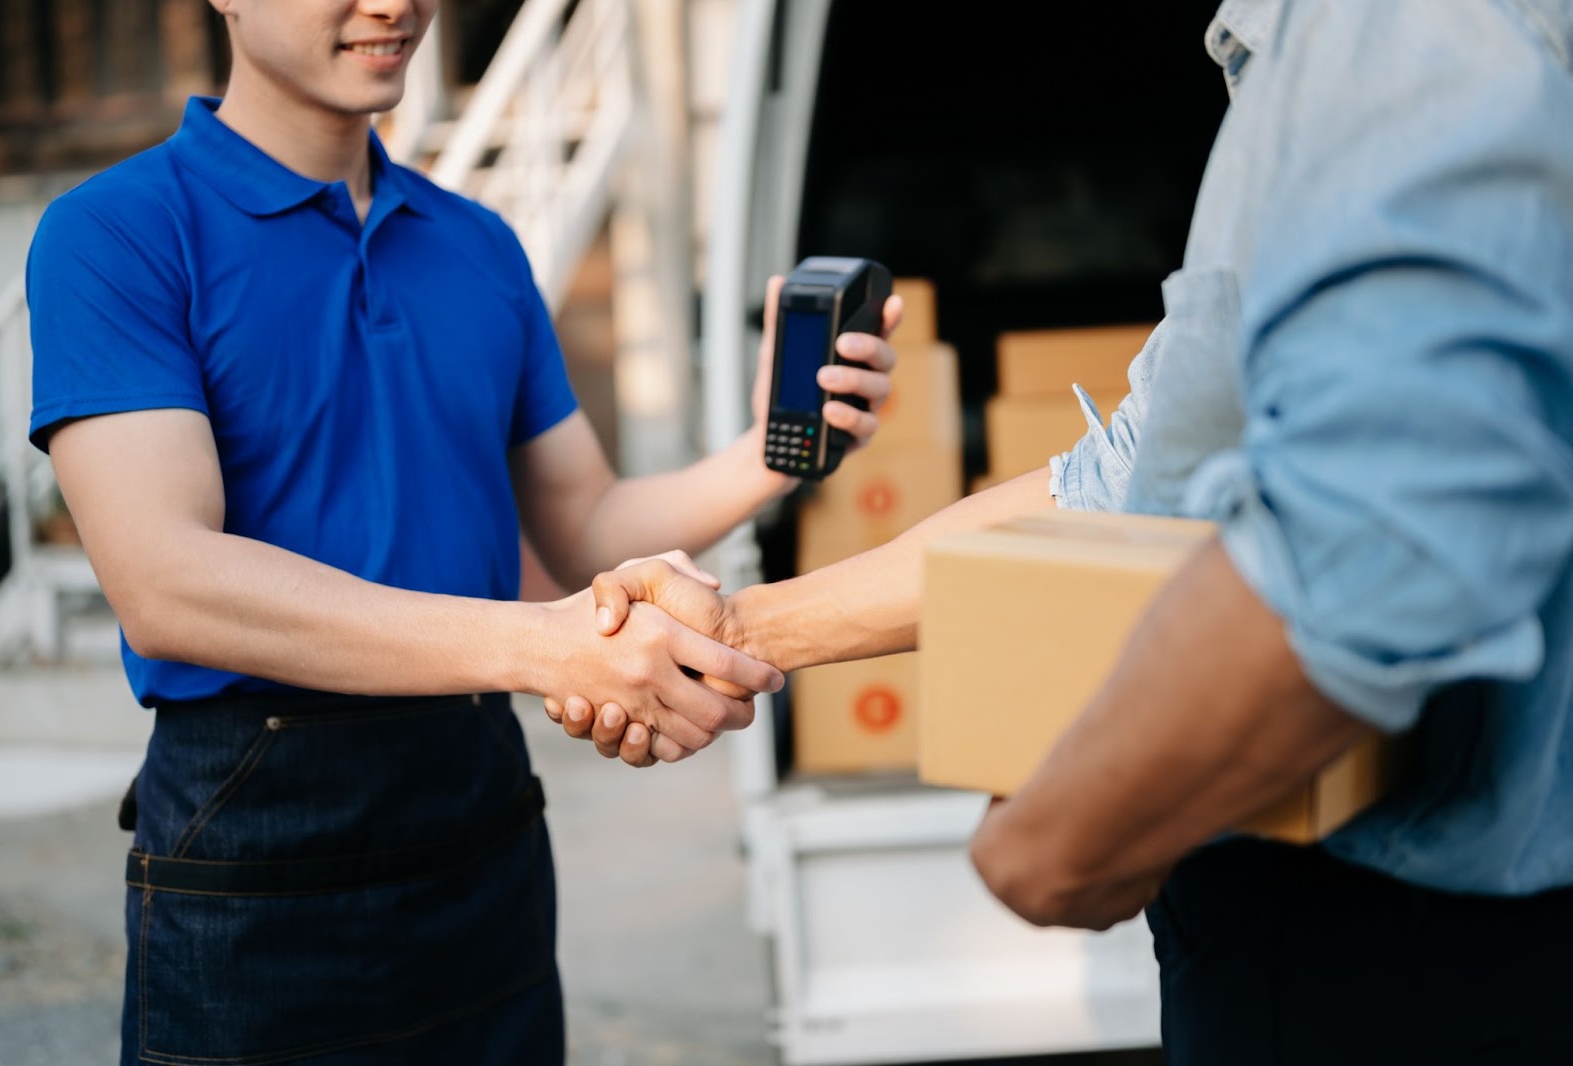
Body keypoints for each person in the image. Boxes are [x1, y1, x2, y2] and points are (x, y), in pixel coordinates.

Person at [553, 1, 1573, 1061]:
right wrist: (738, 628)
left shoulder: (1397, 25)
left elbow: (1384, 537)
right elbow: (1130, 478)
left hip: (1404, 956)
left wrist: (1064, 842)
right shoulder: (1318, 50)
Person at [25, 0, 903, 1062]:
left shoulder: (478, 244)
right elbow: (167, 582)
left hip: (480, 808)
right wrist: (545, 644)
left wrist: (772, 449)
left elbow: (584, 520)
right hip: (255, 825)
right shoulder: (116, 232)